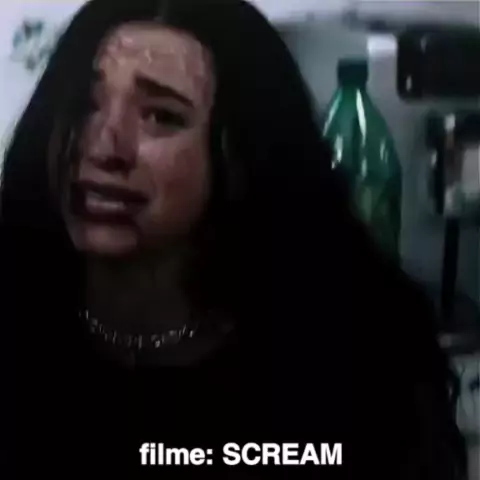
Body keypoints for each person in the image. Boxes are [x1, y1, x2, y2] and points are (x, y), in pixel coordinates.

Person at [0, 0, 467, 478]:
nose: (104, 147)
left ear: (241, 155)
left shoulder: (354, 359)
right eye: (84, 104)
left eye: (160, 116)